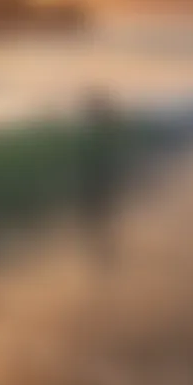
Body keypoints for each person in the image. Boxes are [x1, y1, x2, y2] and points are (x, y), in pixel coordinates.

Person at [76, 88, 124, 265]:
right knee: (101, 201)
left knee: (100, 201)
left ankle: (95, 215)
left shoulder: (102, 119)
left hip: (99, 170)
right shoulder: (103, 118)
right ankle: (96, 215)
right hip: (100, 170)